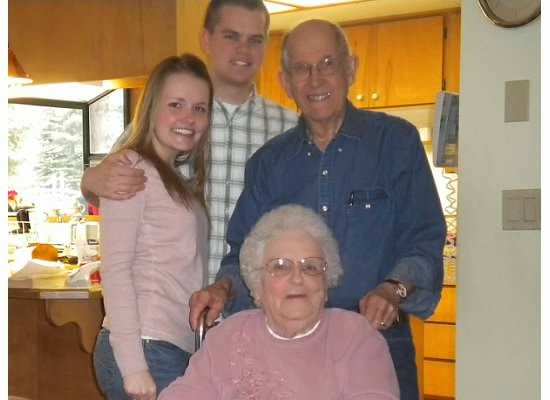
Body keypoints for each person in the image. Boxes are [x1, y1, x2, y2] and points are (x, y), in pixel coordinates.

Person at [189, 19, 447, 400]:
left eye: (328, 63)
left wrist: (392, 289)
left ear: (350, 68)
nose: (315, 79)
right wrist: (222, 288)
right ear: (286, 82)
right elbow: (243, 252)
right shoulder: (269, 163)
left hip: (377, 339)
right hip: (288, 351)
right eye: (302, 68)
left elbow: (423, 240)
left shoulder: (395, 143)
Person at [80, 0, 298, 283]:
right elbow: (110, 187)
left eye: (255, 40)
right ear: (206, 39)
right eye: (231, 36)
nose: (243, 50)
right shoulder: (169, 122)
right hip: (173, 299)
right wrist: (90, 180)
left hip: (254, 298)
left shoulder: (290, 128)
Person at [159, 205, 400, 400]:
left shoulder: (356, 338)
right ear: (258, 285)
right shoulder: (228, 337)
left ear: (326, 283)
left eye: (310, 267)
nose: (297, 278)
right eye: (281, 267)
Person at [93, 53, 213, 400]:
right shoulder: (132, 168)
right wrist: (133, 367)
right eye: (176, 104)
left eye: (199, 108)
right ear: (151, 108)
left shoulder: (171, 176)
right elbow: (116, 269)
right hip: (146, 349)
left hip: (165, 347)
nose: (189, 118)